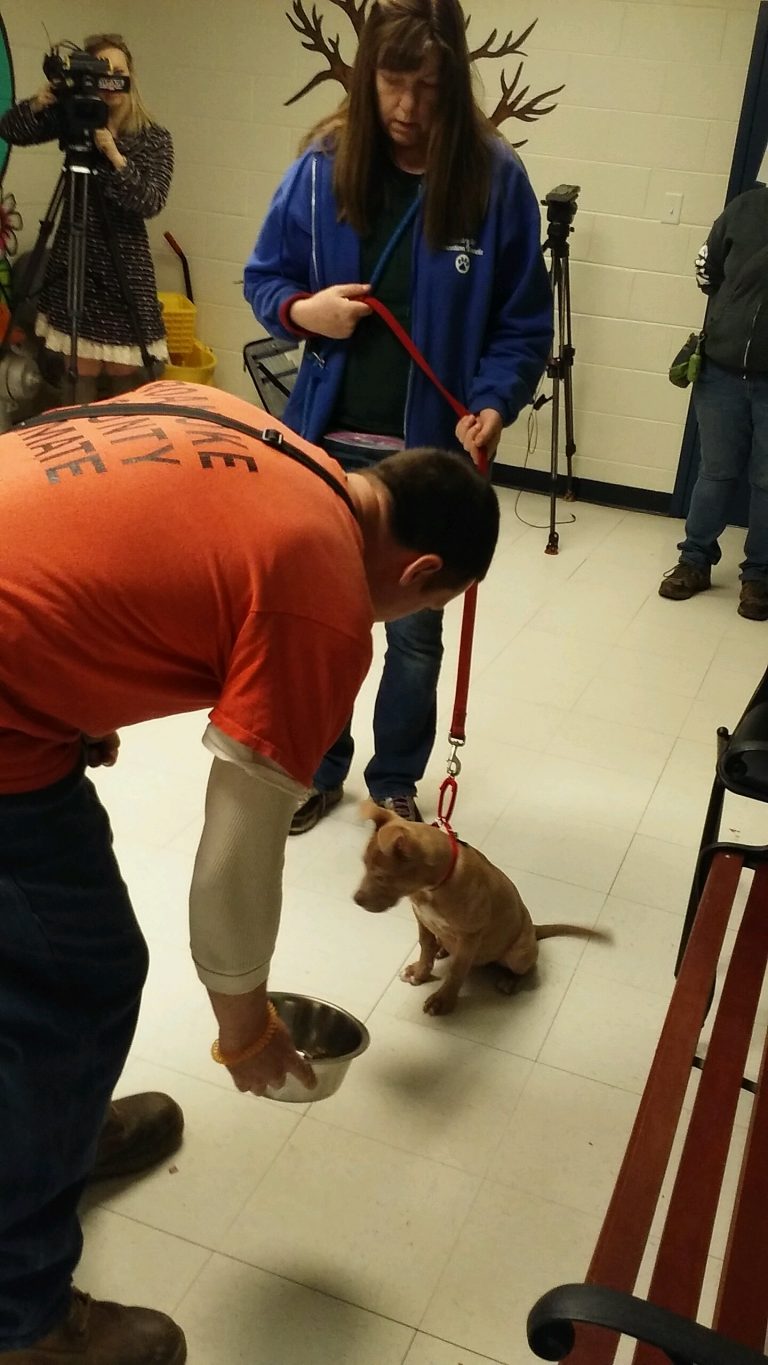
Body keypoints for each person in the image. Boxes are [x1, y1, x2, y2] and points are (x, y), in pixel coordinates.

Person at [0, 377, 499, 1363]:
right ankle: (23, 1319)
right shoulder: (325, 596)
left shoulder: (253, 427)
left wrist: (75, 685)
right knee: (77, 984)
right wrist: (245, 1025)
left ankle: (46, 1135)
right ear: (424, 570)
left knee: (28, 968)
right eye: (425, 605)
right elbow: (237, 849)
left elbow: (83, 510)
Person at [244, 0, 552, 833]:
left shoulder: (495, 177)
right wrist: (308, 315)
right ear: (365, 71)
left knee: (415, 634)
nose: (409, 108)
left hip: (430, 458)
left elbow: (523, 322)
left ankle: (394, 782)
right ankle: (316, 766)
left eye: (428, 86)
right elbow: (264, 278)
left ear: (454, 82)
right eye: (391, 82)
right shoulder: (320, 165)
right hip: (327, 447)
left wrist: (492, 400)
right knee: (320, 617)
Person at [0, 33, 173, 403]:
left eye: (118, 72)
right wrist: (39, 103)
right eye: (101, 72)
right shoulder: (73, 120)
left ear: (131, 77)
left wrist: (114, 156)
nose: (110, 82)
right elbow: (10, 130)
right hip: (75, 265)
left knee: (126, 379)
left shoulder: (152, 137)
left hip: (125, 269)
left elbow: (150, 201)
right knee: (81, 373)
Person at [659, 181, 768, 620]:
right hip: (721, 370)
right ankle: (695, 561)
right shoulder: (746, 207)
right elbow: (706, 272)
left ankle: (759, 576)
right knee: (716, 472)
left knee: (767, 481)